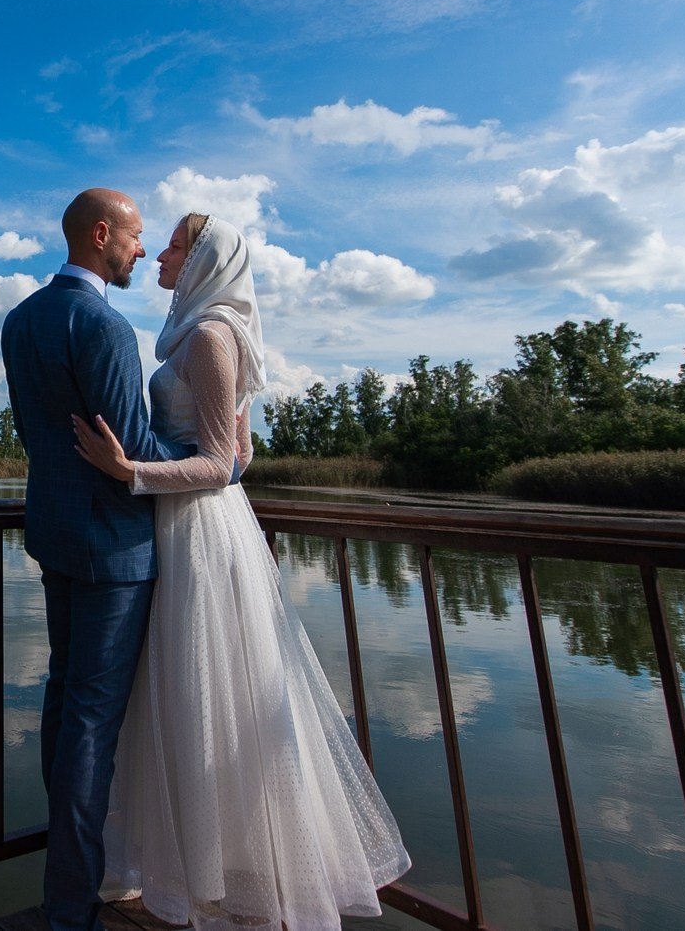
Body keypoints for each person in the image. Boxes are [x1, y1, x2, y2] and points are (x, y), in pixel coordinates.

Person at [73, 213, 410, 931]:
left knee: (203, 693)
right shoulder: (212, 331)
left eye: (172, 245)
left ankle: (211, 877)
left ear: (202, 261)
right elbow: (243, 456)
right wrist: (175, 453)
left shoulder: (209, 336)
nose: (158, 255)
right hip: (193, 524)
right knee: (192, 693)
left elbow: (221, 465)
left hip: (198, 531)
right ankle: (200, 866)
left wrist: (130, 469)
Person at [1, 188, 185, 931]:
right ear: (101, 235)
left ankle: (73, 879)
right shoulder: (104, 325)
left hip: (55, 534)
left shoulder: (21, 319)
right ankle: (74, 905)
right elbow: (132, 451)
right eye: (136, 237)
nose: (141, 249)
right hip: (114, 547)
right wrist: (221, 462)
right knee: (90, 719)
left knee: (63, 698)